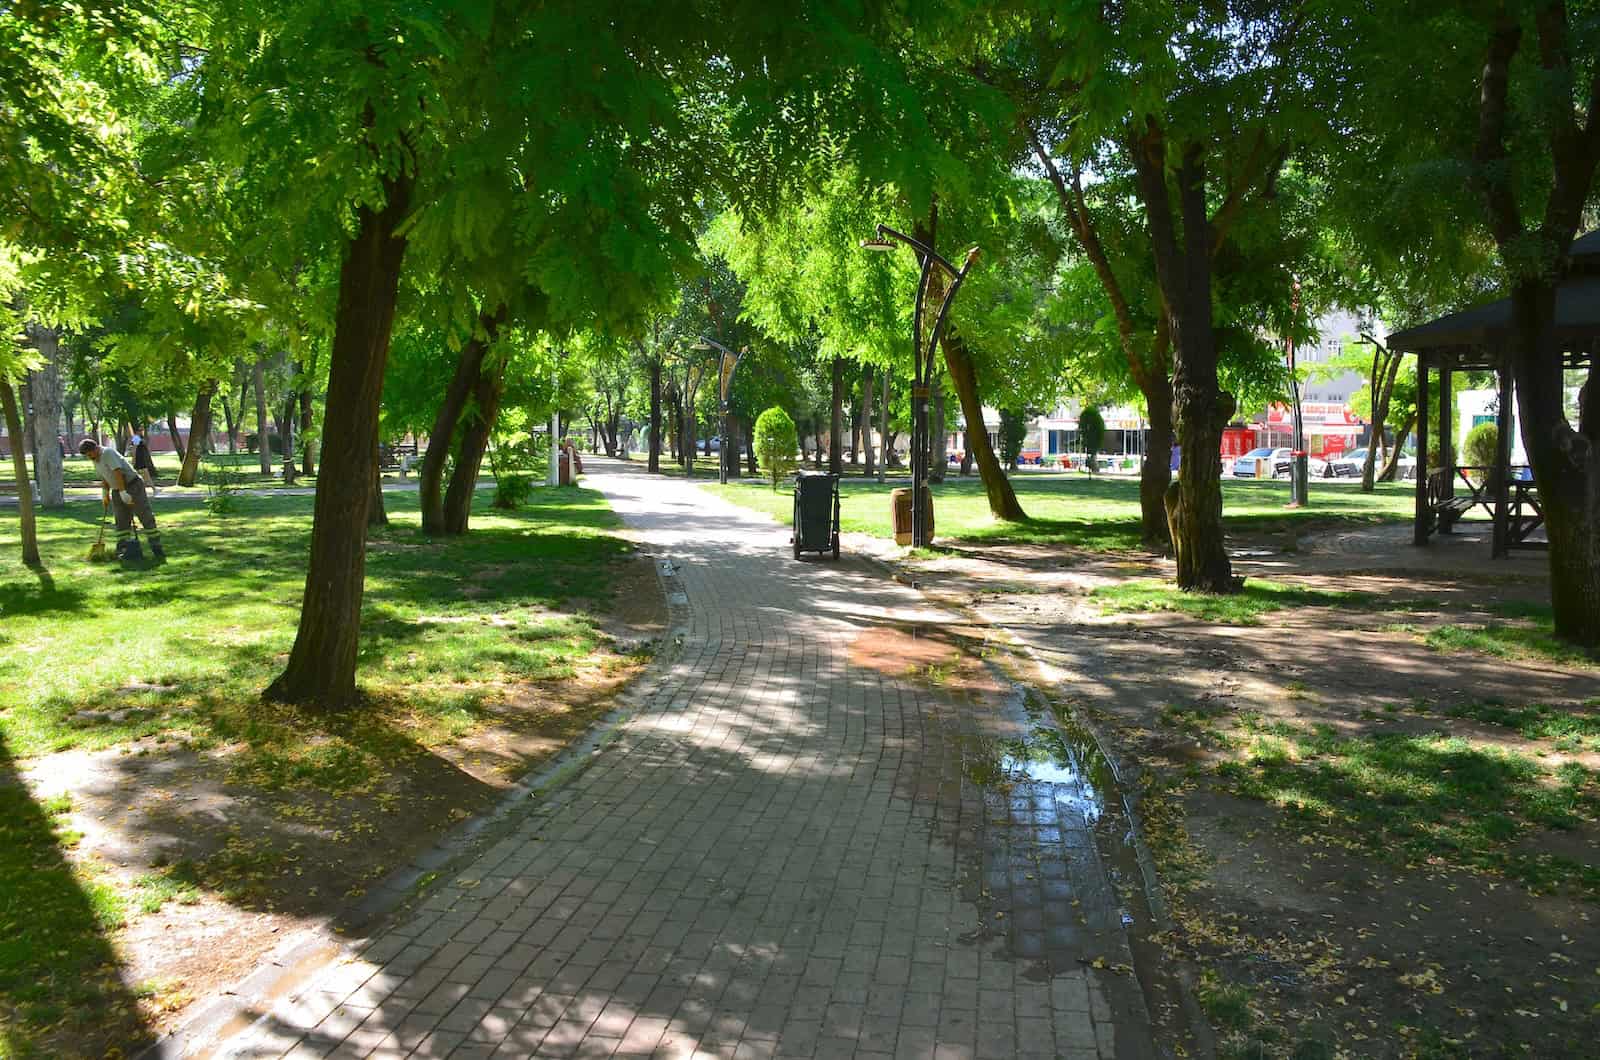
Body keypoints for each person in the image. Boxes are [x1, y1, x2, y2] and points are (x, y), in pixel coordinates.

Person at [79, 438, 165, 562]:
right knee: (121, 519)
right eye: (87, 456)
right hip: (117, 489)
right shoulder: (95, 459)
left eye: (89, 454)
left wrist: (124, 492)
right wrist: (105, 493)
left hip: (132, 485)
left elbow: (118, 473)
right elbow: (105, 477)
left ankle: (157, 548)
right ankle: (123, 549)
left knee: (144, 514)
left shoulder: (107, 453)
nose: (89, 457)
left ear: (95, 448)